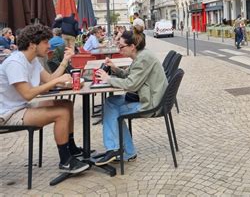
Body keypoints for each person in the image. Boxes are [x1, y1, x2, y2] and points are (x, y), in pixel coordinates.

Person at [0, 24, 88, 174]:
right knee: (61, 113)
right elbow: (28, 94)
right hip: (8, 114)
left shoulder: (32, 60)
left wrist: (65, 60)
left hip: (21, 107)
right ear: (33, 45)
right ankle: (65, 161)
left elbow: (49, 79)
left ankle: (72, 148)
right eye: (45, 42)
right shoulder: (15, 63)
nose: (49, 45)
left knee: (66, 104)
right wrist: (55, 82)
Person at [93, 25, 168, 165]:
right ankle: (127, 152)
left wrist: (108, 79)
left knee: (114, 111)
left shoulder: (143, 59)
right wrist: (114, 68)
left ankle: (115, 150)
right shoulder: (141, 55)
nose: (119, 49)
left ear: (132, 46)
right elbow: (128, 76)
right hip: (148, 97)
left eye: (121, 47)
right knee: (111, 101)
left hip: (151, 103)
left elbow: (131, 85)